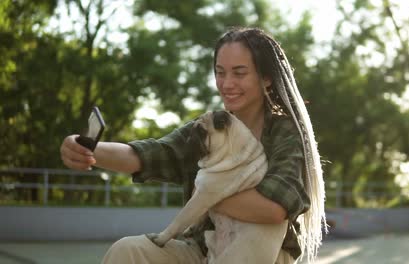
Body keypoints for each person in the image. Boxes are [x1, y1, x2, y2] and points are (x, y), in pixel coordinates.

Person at [60, 27, 326, 264]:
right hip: (203, 250)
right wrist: (89, 150)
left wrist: (206, 196)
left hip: (261, 255)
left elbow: (274, 209)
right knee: (128, 251)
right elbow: (151, 154)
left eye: (239, 73)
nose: (227, 84)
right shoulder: (208, 128)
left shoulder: (286, 132)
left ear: (266, 78)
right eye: (220, 73)